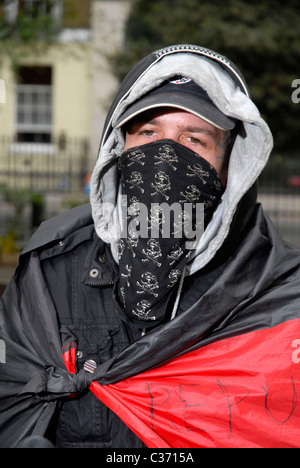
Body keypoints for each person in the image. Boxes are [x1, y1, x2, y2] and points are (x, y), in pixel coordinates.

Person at [1, 44, 300, 449]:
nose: (164, 156)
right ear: (119, 147)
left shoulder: (275, 293)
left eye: (194, 139)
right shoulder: (50, 271)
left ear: (231, 167)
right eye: (148, 132)